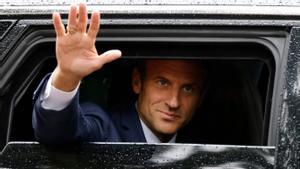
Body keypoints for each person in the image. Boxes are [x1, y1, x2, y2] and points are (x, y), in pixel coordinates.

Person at [32, 3, 207, 144]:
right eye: (162, 83)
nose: (173, 102)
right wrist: (67, 76)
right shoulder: (106, 129)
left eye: (188, 89)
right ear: (137, 82)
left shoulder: (208, 143)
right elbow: (55, 133)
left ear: (201, 97)